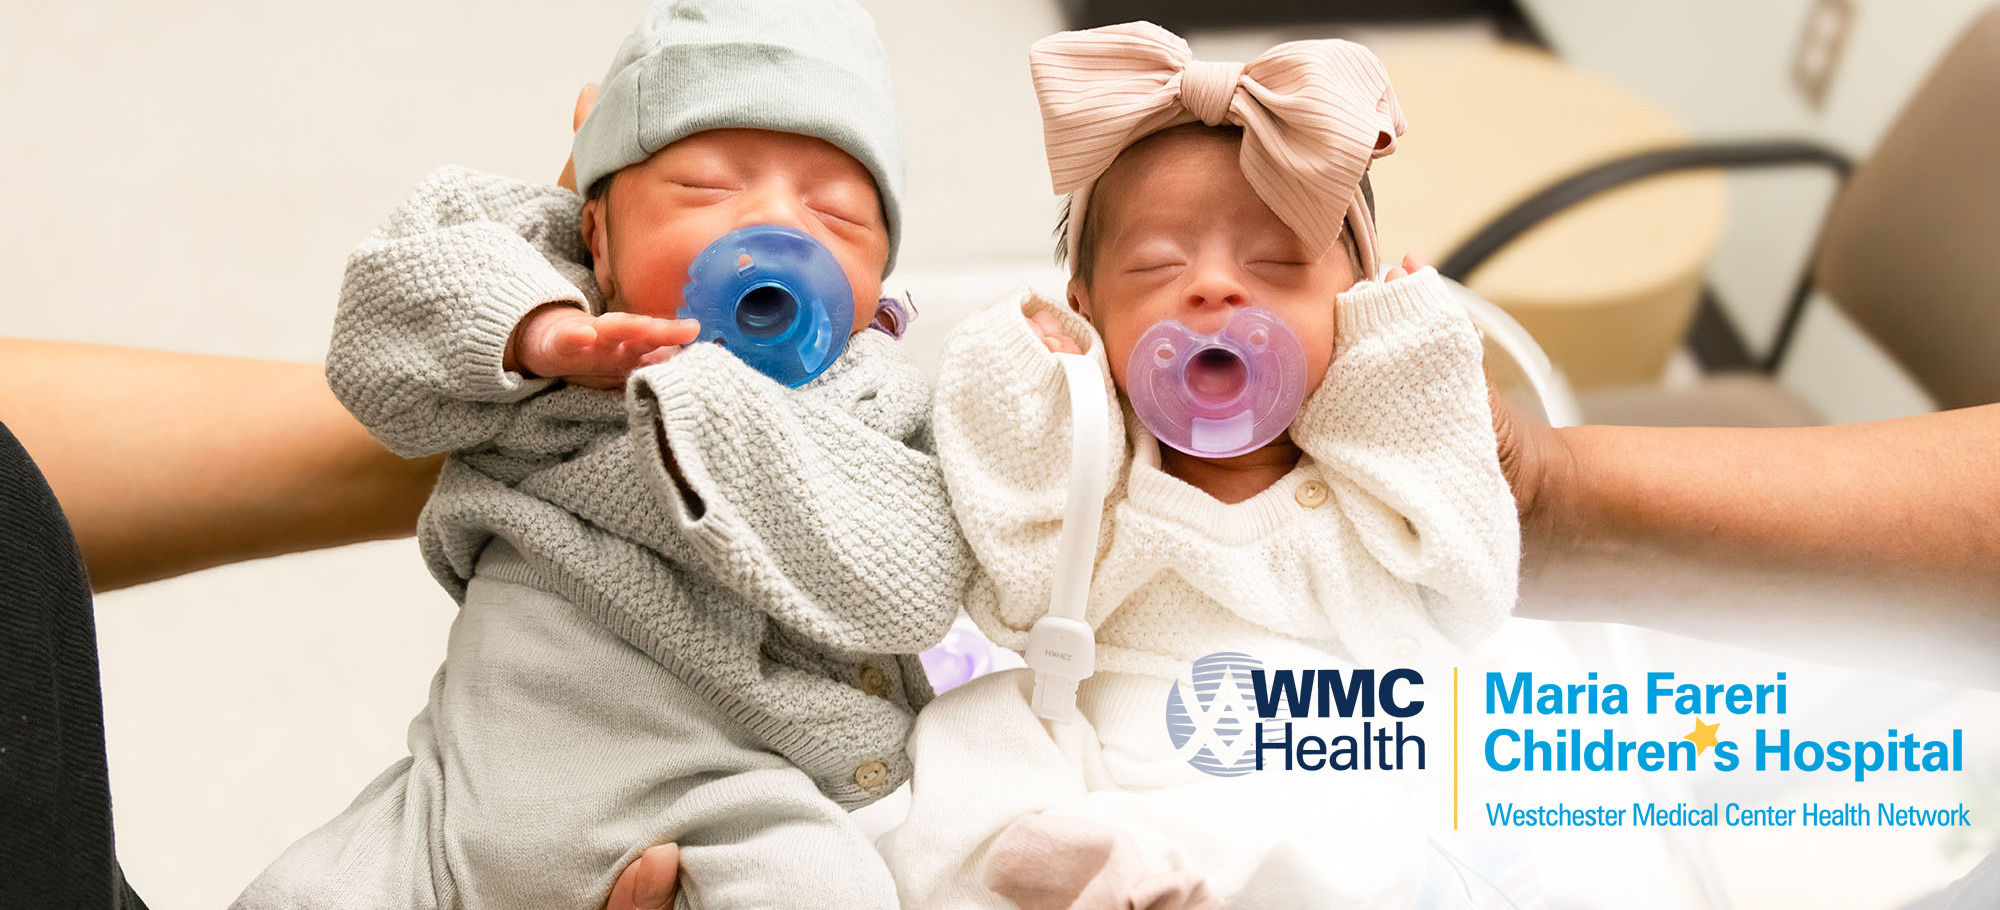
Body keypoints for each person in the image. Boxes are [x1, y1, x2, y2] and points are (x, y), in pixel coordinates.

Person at [230, 0, 969, 908]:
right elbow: (382, 331)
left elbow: (913, 581)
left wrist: (711, 399)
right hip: (461, 789)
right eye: (707, 188)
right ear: (597, 233)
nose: (781, 227)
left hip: (727, 792)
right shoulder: (541, 289)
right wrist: (535, 333)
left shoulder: (873, 397)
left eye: (840, 215)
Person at [882, 23, 1517, 908]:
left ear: (1360, 303)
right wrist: (1030, 379)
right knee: (970, 725)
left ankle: (1200, 887)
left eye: (1276, 262)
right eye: (1156, 264)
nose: (1214, 288)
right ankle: (1085, 876)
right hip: (1104, 773)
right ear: (1089, 315)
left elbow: (1472, 586)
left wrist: (1402, 368)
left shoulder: (1371, 498)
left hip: (1306, 767)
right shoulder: (1103, 477)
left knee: (1371, 824)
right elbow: (1017, 580)